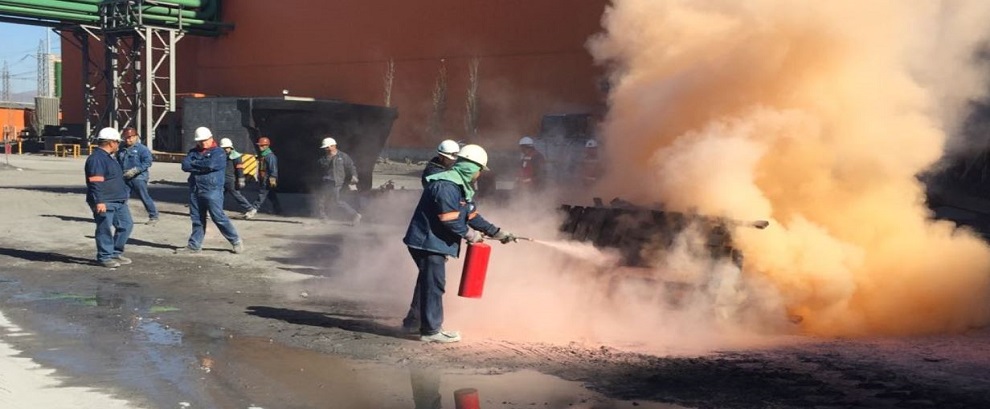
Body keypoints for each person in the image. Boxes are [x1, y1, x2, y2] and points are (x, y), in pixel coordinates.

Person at [402, 144, 518, 343]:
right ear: (471, 168)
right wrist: (471, 236)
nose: (479, 175)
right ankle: (431, 331)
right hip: (427, 241)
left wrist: (497, 232)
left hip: (433, 241)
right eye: (480, 170)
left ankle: (413, 322)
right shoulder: (446, 185)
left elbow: (471, 215)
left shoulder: (461, 186)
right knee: (434, 285)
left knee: (427, 281)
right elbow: (450, 219)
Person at [177, 127, 243, 254]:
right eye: (200, 141)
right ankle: (194, 245)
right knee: (197, 218)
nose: (203, 143)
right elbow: (185, 166)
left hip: (212, 190)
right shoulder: (193, 152)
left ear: (211, 138)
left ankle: (235, 240)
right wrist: (202, 165)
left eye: (205, 140)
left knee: (218, 217)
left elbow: (211, 165)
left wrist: (195, 165)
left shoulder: (219, 152)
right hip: (195, 189)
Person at [84, 127, 133, 268]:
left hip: (118, 201)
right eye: (118, 142)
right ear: (111, 143)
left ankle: (115, 252)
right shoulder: (97, 159)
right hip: (105, 201)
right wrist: (99, 201)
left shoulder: (108, 158)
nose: (119, 145)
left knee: (126, 225)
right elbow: (96, 182)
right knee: (104, 228)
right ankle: (104, 257)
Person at [116, 127, 159, 225]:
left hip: (138, 177)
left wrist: (136, 170)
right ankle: (120, 217)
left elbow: (147, 162)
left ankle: (153, 216)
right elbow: (118, 161)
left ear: (136, 137)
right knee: (122, 197)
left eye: (131, 137)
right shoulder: (122, 149)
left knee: (144, 197)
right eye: (126, 138)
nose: (128, 139)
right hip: (125, 177)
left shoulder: (142, 149)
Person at [316, 136, 361, 224]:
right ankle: (323, 217)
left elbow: (351, 166)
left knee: (337, 201)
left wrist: (354, 175)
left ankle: (355, 215)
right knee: (320, 199)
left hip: (337, 183)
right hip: (326, 182)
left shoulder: (343, 156)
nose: (326, 149)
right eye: (325, 148)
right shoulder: (322, 158)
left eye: (327, 147)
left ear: (333, 146)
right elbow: (319, 168)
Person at [219, 138, 256, 215]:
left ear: (231, 147)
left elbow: (239, 169)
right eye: (224, 148)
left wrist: (241, 179)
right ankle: (213, 211)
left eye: (227, 148)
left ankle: (250, 208)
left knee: (236, 195)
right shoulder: (221, 156)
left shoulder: (236, 156)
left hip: (231, 181)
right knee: (218, 196)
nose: (225, 149)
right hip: (222, 179)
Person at [246, 136, 281, 218]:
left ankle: (253, 209)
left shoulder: (270, 156)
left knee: (262, 194)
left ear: (266, 146)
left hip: (268, 179)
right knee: (271, 195)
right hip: (263, 178)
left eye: (262, 145)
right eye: (259, 145)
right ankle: (278, 210)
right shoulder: (263, 155)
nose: (260, 147)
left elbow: (273, 168)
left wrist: (272, 179)